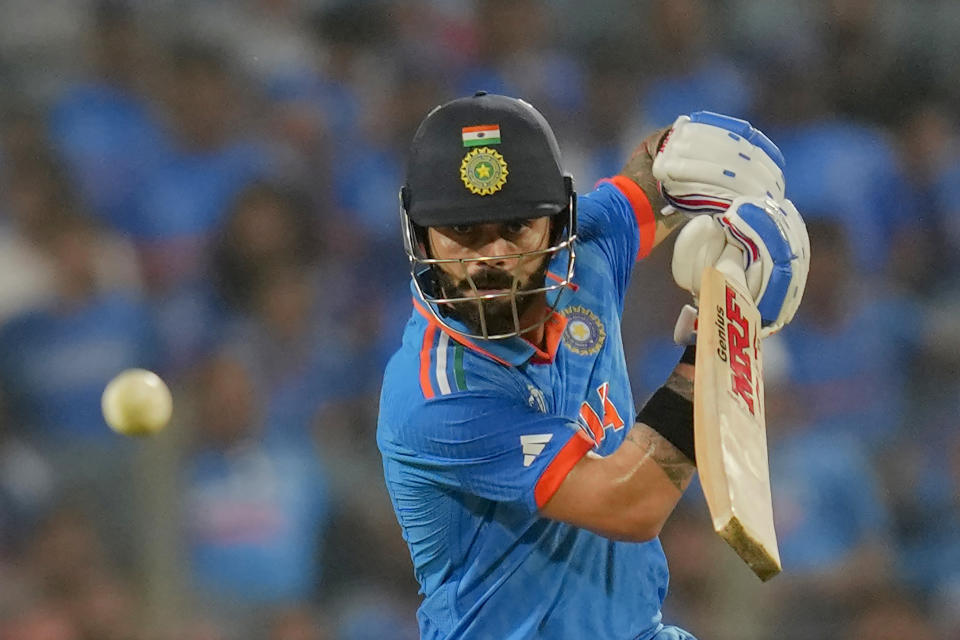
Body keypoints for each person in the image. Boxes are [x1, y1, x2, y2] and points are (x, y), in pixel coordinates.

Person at [377, 91, 809, 639]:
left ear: (557, 223)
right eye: (463, 232)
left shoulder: (588, 248)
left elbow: (654, 180)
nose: (492, 257)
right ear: (420, 233)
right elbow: (630, 501)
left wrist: (682, 151)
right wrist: (720, 336)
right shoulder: (434, 396)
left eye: (515, 227)